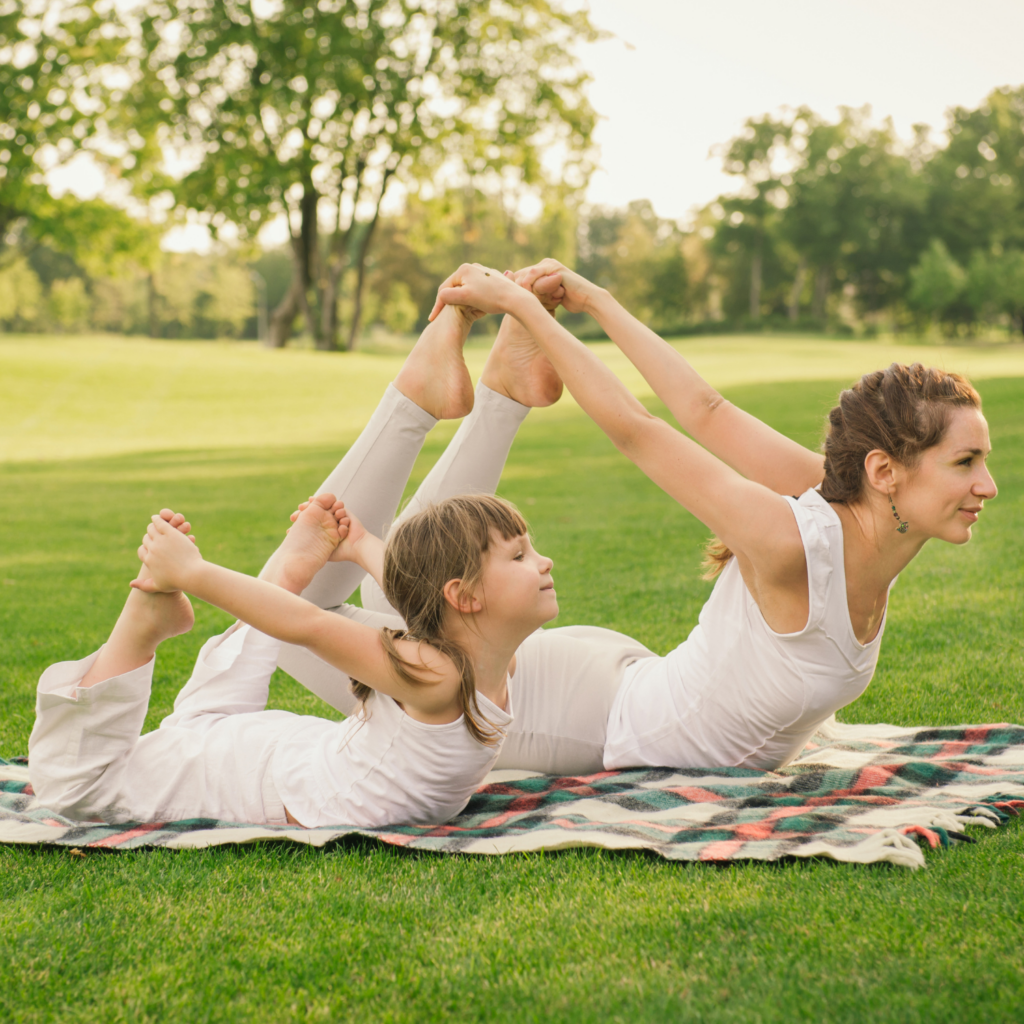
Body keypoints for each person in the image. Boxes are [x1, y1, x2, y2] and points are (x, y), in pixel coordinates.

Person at [408, 258, 998, 774]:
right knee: (383, 641)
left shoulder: (853, 507)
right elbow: (638, 430)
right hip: (581, 721)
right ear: (885, 472)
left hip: (621, 680)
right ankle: (451, 404)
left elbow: (708, 409)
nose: (987, 486)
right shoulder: (792, 543)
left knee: (392, 641)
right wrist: (527, 309)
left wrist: (594, 300)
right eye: (964, 462)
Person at [27, 301, 564, 828]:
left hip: (286, 755)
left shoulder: (484, 659)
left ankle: (223, 594)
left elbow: (416, 594)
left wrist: (359, 547)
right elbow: (306, 624)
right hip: (267, 770)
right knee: (77, 789)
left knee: (198, 727)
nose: (544, 563)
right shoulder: (441, 672)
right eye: (520, 555)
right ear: (465, 597)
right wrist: (191, 572)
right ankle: (143, 625)